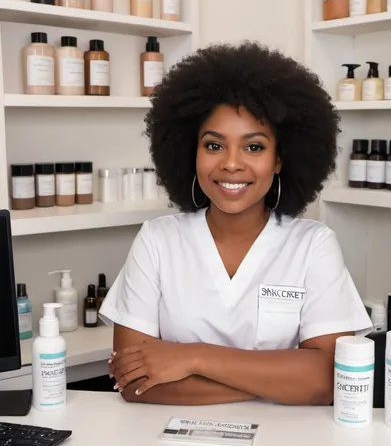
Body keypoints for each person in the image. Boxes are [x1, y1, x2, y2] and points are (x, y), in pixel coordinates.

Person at [100, 41, 372, 407]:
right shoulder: (157, 241)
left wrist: (194, 357)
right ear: (189, 152)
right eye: (213, 146)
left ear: (280, 160)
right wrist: (281, 380)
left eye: (254, 147)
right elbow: (133, 383)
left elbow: (329, 379)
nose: (231, 164)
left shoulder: (314, 245)